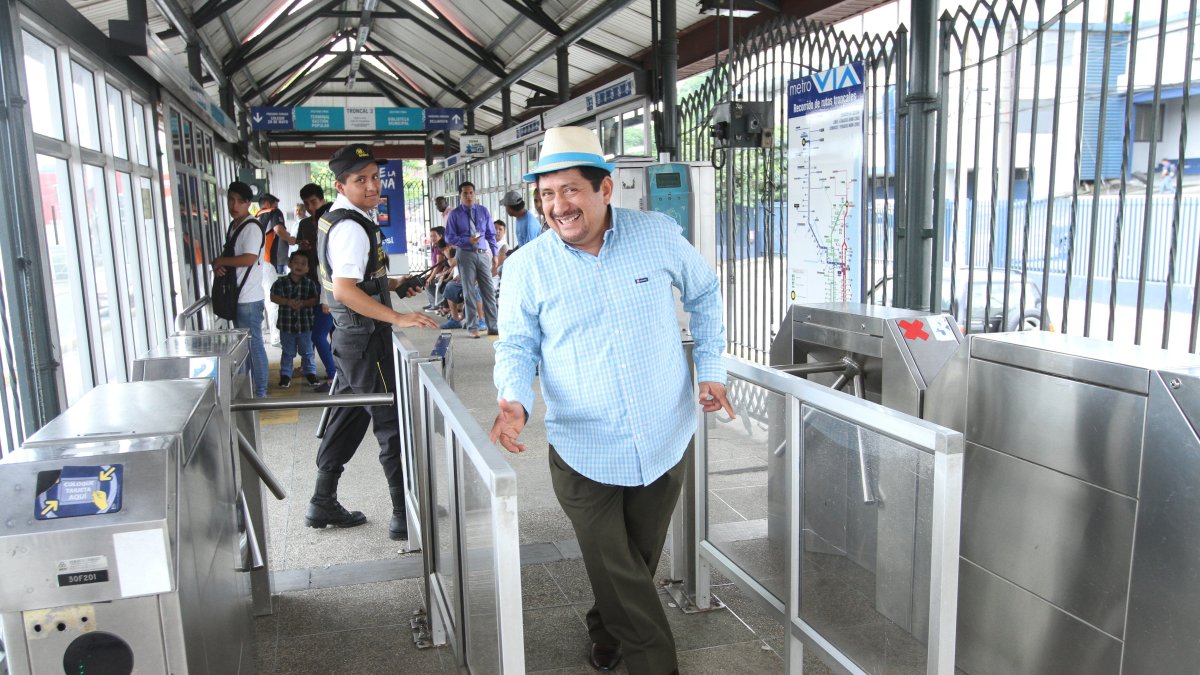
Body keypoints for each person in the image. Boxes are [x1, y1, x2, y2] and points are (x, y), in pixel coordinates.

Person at [490, 126, 735, 675]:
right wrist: (514, 399)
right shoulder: (527, 266)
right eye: (547, 195)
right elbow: (517, 344)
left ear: (605, 189)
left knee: (635, 562)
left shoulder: (657, 234)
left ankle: (604, 630)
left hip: (662, 436)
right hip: (584, 447)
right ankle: (654, 663)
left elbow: (705, 293)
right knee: (620, 569)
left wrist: (711, 367)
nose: (558, 206)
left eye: (570, 190)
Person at [307, 143, 439, 539]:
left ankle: (321, 501)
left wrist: (395, 284)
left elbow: (352, 280)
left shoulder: (340, 219)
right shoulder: (350, 227)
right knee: (391, 424)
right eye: (359, 179)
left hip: (350, 340)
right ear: (341, 184)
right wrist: (397, 316)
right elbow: (345, 290)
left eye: (374, 177)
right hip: (366, 342)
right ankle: (404, 514)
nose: (371, 185)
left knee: (346, 419)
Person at [212, 181, 269, 398]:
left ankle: (261, 392)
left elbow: (249, 258)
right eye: (231, 200)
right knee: (246, 347)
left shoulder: (251, 227)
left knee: (254, 346)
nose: (234, 205)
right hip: (239, 296)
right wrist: (221, 265)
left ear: (248, 204)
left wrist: (221, 260)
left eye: (240, 201)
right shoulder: (235, 225)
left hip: (249, 299)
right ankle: (252, 389)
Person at [444, 181, 498, 338]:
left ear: (475, 194)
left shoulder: (483, 211)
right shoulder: (455, 214)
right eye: (465, 193)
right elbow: (449, 237)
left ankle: (492, 326)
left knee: (488, 290)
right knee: (469, 291)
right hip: (466, 254)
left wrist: (494, 254)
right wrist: (467, 240)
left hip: (482, 254)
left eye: (471, 193)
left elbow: (491, 234)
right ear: (460, 195)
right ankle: (472, 327)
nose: (468, 196)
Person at [297, 183, 336, 383]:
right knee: (321, 332)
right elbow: (299, 254)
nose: (311, 207)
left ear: (321, 199)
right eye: (307, 204)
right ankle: (324, 369)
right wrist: (302, 247)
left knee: (320, 334)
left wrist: (327, 297)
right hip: (311, 286)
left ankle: (333, 374)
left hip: (328, 291)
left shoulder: (330, 219)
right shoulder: (304, 225)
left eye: (313, 202)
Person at [269, 251, 323, 389]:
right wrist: (287, 302)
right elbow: (273, 297)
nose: (299, 266)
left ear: (308, 268)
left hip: (305, 326)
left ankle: (310, 372)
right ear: (289, 264)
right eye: (296, 262)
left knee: (308, 351)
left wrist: (304, 303)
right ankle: (286, 375)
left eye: (303, 264)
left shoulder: (310, 284)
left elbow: (316, 300)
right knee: (287, 352)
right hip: (287, 326)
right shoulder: (281, 282)